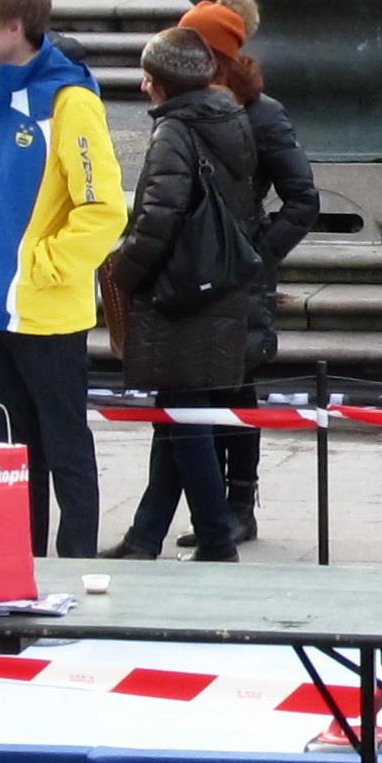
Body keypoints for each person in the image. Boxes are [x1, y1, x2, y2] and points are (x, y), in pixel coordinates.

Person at [0, 0, 125, 559]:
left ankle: (75, 565)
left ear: (15, 27)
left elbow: (104, 209)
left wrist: (45, 265)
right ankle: (17, 564)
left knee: (64, 447)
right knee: (13, 450)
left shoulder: (69, 100)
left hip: (45, 310)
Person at [106, 28, 265, 561]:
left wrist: (123, 273)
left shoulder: (175, 130)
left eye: (147, 75)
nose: (142, 84)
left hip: (178, 294)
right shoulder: (230, 119)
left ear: (162, 82)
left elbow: (158, 218)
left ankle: (216, 540)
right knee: (180, 414)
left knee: (185, 419)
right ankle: (145, 536)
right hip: (217, 284)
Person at [171, 0, 317, 548]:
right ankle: (209, 507)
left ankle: (238, 502)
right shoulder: (181, 106)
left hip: (238, 271)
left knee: (237, 383)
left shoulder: (262, 114)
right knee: (198, 388)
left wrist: (255, 255)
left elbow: (302, 200)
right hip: (189, 269)